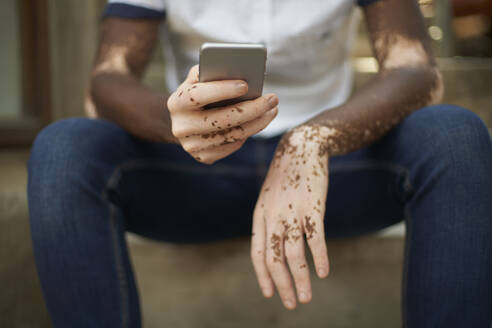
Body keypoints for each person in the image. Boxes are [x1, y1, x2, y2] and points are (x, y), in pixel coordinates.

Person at [28, 0, 492, 327]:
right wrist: (178, 123)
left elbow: (416, 71)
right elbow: (106, 81)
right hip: (194, 168)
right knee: (63, 147)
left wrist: (314, 138)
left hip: (325, 179)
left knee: (454, 136)